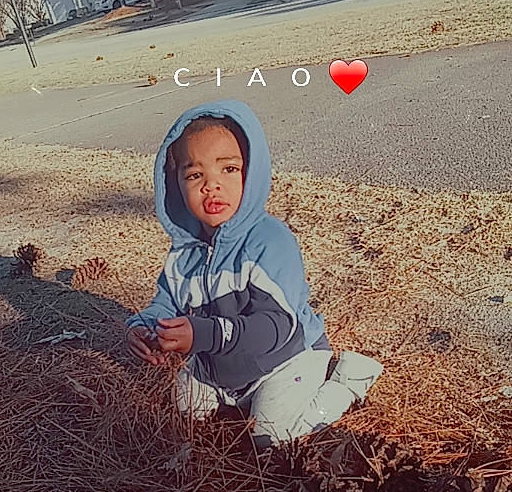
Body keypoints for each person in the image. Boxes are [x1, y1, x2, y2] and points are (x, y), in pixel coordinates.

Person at [126, 100, 383, 451]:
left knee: (273, 436)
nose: (211, 186)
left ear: (253, 172)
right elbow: (165, 304)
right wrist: (143, 328)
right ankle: (233, 396)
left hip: (284, 357)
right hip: (218, 368)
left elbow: (276, 327)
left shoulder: (269, 241)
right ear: (175, 185)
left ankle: (349, 380)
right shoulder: (183, 252)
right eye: (194, 174)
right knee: (184, 410)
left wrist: (203, 333)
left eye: (228, 169)